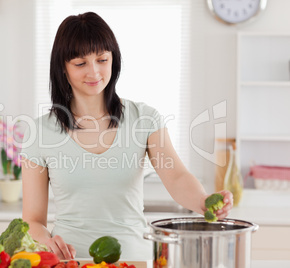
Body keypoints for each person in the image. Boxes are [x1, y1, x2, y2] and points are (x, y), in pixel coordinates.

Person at [21, 11, 233, 260]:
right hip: (72, 261)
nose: (94, 72)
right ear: (63, 69)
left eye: (102, 59)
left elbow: (176, 177)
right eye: (80, 63)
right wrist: (46, 241)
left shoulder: (144, 118)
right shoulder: (40, 132)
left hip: (135, 259)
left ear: (114, 60)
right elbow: (33, 220)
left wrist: (203, 200)